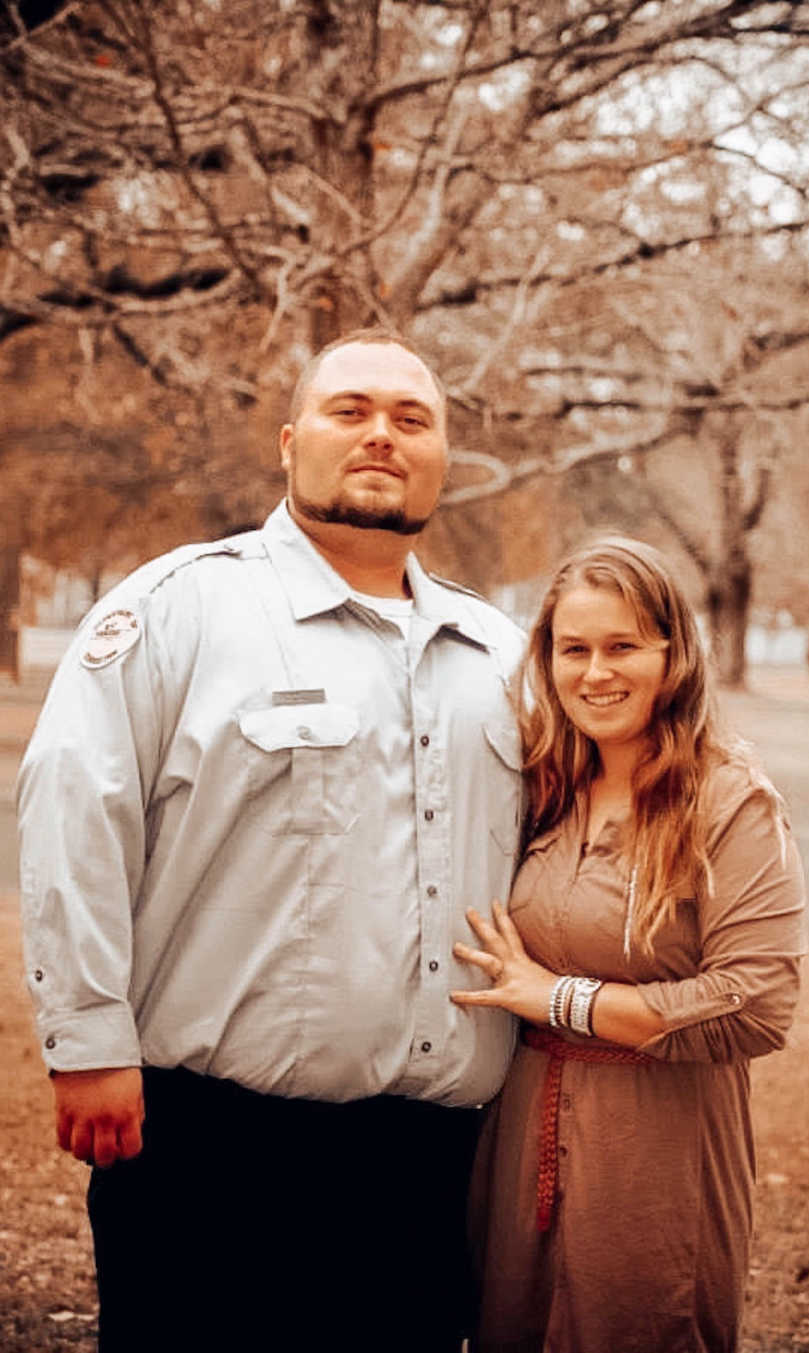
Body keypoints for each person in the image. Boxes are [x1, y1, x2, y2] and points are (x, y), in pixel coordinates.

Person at [17, 327, 526, 1353]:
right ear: (290, 444)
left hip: (431, 1165)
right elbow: (75, 815)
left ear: (443, 459)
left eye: (412, 419)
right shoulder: (180, 611)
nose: (383, 434)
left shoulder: (504, 656)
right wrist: (87, 1044)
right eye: (352, 411)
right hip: (212, 1150)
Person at [451, 536, 807, 1353]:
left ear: (673, 654)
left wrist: (562, 998)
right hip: (521, 1135)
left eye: (623, 647)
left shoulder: (729, 799)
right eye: (573, 648)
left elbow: (758, 1003)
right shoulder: (539, 783)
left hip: (659, 1147)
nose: (595, 672)